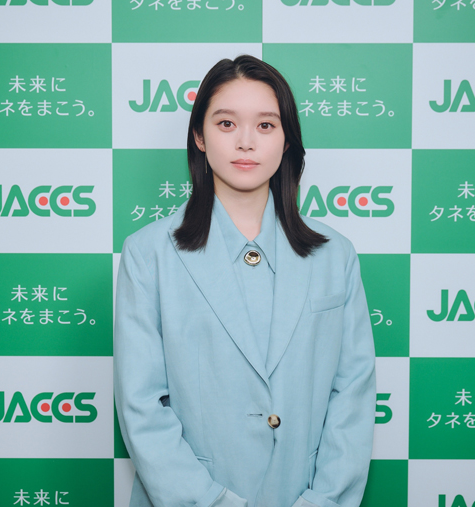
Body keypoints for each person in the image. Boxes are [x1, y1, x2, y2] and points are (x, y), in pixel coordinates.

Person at [114, 54, 376, 507]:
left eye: (266, 125)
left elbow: (353, 394)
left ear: (287, 140)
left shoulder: (336, 255)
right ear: (199, 136)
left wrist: (323, 501)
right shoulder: (148, 254)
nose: (246, 142)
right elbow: (142, 406)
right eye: (226, 124)